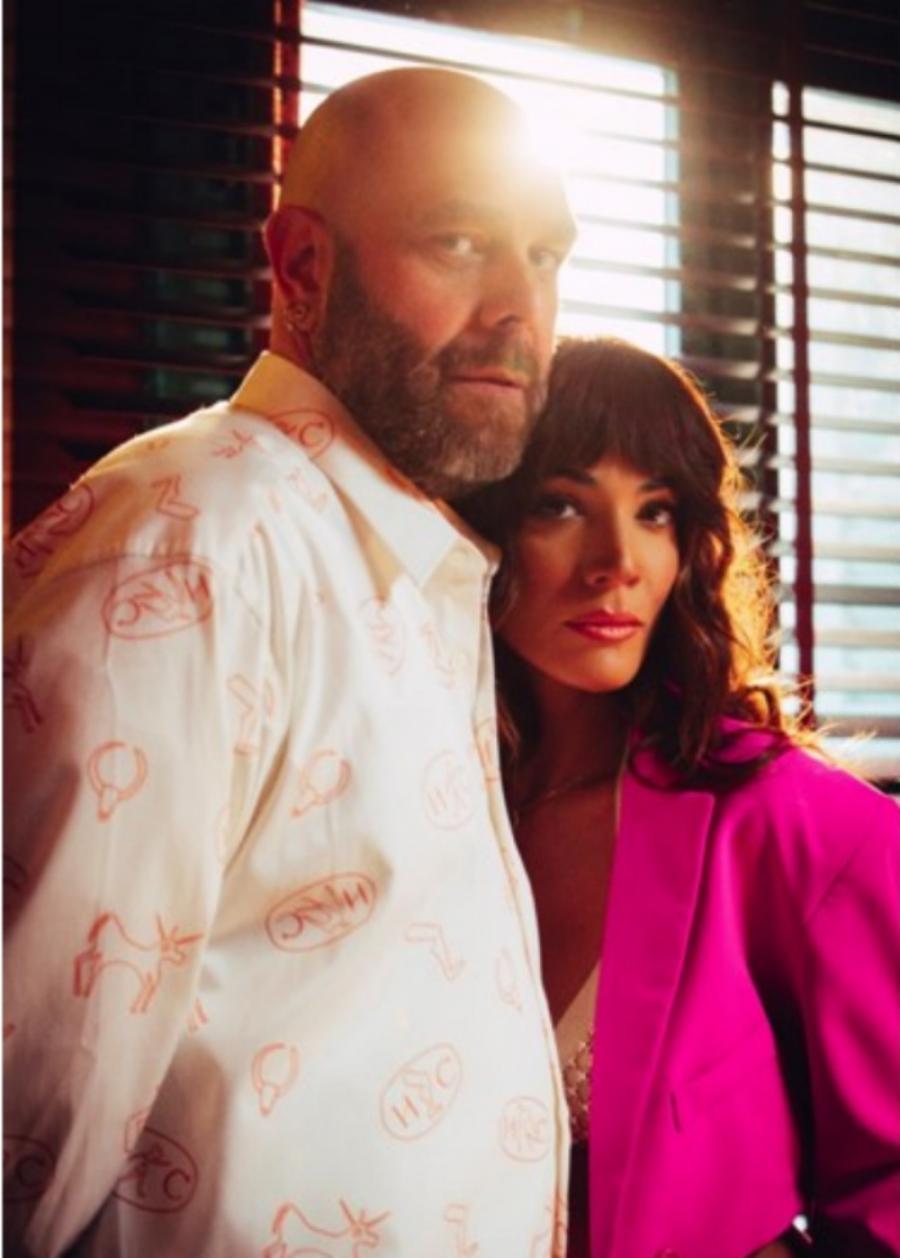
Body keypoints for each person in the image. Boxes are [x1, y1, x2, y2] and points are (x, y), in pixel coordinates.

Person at [4, 68, 577, 1256]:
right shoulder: (196, 546)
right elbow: (32, 1108)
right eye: (460, 242)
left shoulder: (404, 562)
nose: (520, 309)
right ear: (302, 265)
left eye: (545, 256)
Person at [456, 337, 900, 1258]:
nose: (617, 561)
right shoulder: (425, 802)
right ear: (481, 525)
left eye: (654, 511)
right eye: (560, 505)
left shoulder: (786, 817)